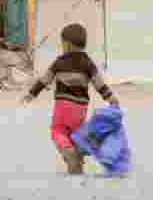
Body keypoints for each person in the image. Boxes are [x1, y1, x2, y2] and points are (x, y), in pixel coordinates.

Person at [22, 23, 119, 175]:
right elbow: (99, 84)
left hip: (62, 107)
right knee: (76, 137)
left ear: (66, 44)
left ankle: (68, 152)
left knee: (58, 131)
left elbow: (44, 80)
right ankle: (81, 160)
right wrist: (110, 97)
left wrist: (32, 93)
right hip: (80, 110)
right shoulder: (88, 63)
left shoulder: (59, 62)